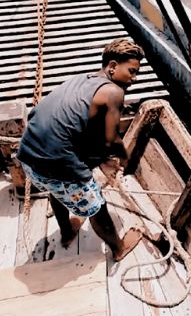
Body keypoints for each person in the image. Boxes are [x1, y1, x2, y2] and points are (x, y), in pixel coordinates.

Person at [16, 38, 144, 261]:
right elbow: (112, 140)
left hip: (28, 158)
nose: (133, 79)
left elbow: (85, 128)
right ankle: (119, 248)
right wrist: (125, 159)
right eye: (131, 72)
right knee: (97, 206)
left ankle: (67, 232)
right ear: (112, 66)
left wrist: (101, 159)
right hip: (54, 164)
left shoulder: (82, 79)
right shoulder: (114, 92)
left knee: (58, 190)